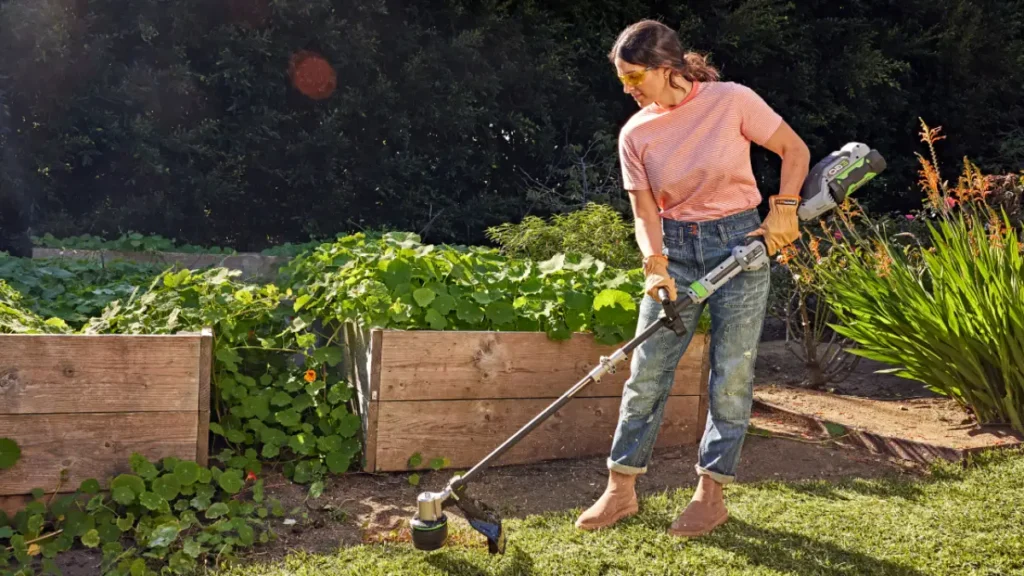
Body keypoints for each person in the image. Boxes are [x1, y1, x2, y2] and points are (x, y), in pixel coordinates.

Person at [575, 19, 810, 537]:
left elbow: (795, 150)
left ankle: (710, 494)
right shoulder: (635, 133)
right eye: (623, 81)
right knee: (646, 372)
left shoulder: (732, 100)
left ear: (667, 69)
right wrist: (655, 264)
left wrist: (785, 209)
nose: (629, 89)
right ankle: (620, 490)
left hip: (740, 246)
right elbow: (644, 213)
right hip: (676, 251)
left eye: (635, 78)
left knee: (731, 374)